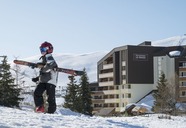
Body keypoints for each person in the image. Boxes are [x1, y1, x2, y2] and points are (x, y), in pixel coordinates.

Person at [32, 41, 58, 113]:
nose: (42, 51)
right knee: (37, 92)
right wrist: (37, 78)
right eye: (41, 50)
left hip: (50, 81)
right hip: (43, 80)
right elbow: (44, 70)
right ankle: (40, 107)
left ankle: (51, 112)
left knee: (50, 98)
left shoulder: (49, 56)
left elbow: (51, 65)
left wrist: (42, 69)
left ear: (48, 49)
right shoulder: (43, 58)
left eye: (43, 50)